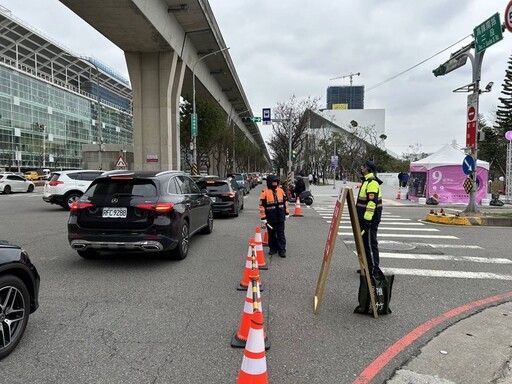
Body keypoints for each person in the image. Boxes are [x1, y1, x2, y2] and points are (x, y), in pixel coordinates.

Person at [357, 161, 384, 277]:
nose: (361, 168)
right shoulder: (366, 182)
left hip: (370, 219)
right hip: (364, 218)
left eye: (363, 167)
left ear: (367, 169)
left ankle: (374, 269)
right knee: (365, 243)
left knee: (370, 243)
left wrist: (367, 220)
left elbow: (371, 203)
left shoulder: (372, 183)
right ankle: (368, 266)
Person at [259, 175, 290, 258]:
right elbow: (262, 206)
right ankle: (273, 248)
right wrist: (263, 218)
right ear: (269, 183)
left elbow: (285, 202)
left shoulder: (281, 191)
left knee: (281, 234)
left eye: (276, 182)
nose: (275, 184)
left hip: (280, 217)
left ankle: (282, 250)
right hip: (270, 219)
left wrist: (287, 213)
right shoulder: (265, 192)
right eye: (273, 182)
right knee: (271, 234)